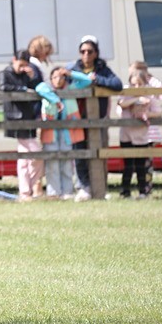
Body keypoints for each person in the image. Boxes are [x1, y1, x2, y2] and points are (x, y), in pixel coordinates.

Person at [69, 35, 123, 200]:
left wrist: (97, 79)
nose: (86, 55)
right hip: (78, 118)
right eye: (83, 51)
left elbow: (117, 85)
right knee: (80, 154)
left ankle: (100, 188)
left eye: (90, 51)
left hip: (99, 119)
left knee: (100, 153)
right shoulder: (74, 70)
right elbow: (64, 86)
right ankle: (84, 187)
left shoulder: (102, 69)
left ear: (96, 53)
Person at [36, 66, 91, 200]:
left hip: (67, 131)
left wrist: (70, 73)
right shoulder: (47, 90)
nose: (58, 80)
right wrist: (56, 100)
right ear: (51, 79)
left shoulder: (70, 90)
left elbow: (87, 81)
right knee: (52, 163)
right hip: (51, 131)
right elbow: (39, 88)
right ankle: (53, 192)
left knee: (66, 162)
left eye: (61, 77)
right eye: (55, 77)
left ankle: (67, 192)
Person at [0, 49, 44, 201]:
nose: (22, 67)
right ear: (14, 60)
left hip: (28, 117)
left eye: (25, 64)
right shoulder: (5, 73)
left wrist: (32, 77)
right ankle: (29, 187)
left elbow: (39, 88)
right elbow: (4, 87)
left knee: (25, 158)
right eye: (20, 64)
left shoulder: (27, 74)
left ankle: (26, 191)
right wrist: (24, 89)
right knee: (35, 153)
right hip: (16, 118)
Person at [116, 63, 159, 198]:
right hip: (126, 135)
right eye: (134, 84)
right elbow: (121, 104)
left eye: (139, 84)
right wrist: (136, 99)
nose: (136, 87)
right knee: (128, 166)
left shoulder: (150, 95)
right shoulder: (126, 93)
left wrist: (147, 115)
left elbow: (158, 112)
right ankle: (125, 191)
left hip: (141, 136)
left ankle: (143, 191)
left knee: (141, 165)